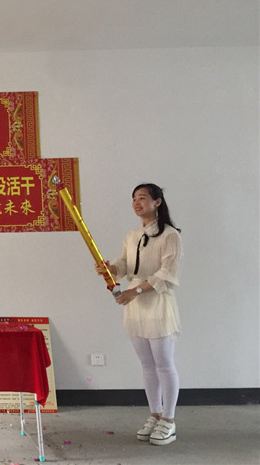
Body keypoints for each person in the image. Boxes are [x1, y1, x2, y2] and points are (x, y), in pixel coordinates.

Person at [96, 183, 183, 446]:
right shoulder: (132, 235)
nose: (137, 202)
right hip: (135, 305)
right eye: (134, 198)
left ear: (157, 202)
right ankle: (155, 414)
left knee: (164, 363)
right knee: (147, 365)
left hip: (157, 303)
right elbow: (125, 264)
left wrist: (135, 291)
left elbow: (167, 274)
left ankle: (168, 420)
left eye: (143, 198)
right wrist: (111, 269)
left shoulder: (170, 236)